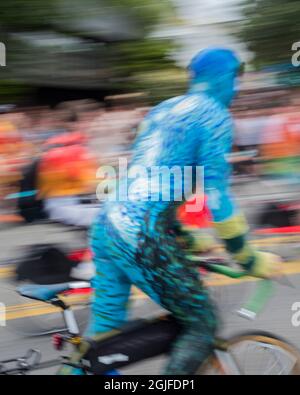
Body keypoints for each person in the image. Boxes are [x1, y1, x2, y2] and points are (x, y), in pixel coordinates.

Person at [63, 47, 282, 375]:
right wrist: (250, 259)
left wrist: (185, 237)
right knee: (201, 324)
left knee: (102, 337)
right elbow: (216, 196)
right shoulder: (215, 115)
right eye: (237, 81)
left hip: (108, 226)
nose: (237, 90)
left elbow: (151, 179)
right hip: (140, 233)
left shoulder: (163, 109)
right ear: (228, 79)